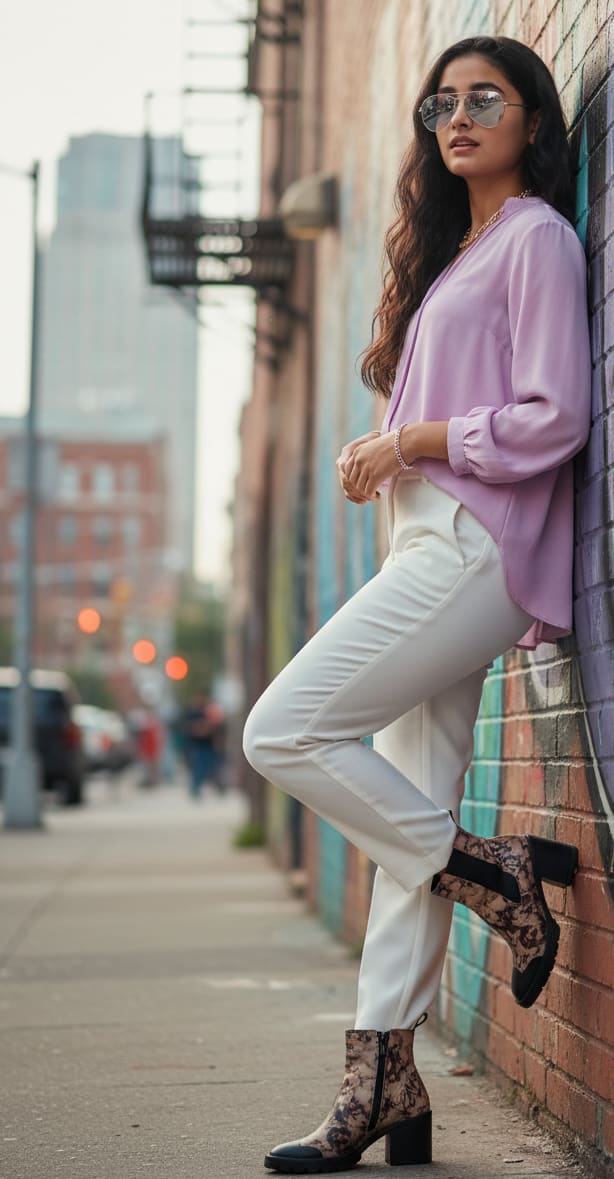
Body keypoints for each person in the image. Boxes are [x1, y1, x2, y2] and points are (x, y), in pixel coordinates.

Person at [243, 34, 591, 1174]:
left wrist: (414, 439)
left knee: (283, 729)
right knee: (409, 818)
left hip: (471, 553)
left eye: (481, 99)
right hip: (425, 546)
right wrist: (386, 454)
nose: (455, 118)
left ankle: (491, 874)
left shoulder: (535, 236)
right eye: (438, 103)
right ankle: (382, 1078)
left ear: (529, 119)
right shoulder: (460, 253)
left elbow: (556, 416)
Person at [180, 690, 225, 798]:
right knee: (198, 768)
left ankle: (218, 788)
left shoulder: (208, 712)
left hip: (208, 745)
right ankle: (195, 789)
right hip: (196, 745)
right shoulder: (192, 714)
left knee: (211, 767)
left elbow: (215, 727)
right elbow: (187, 728)